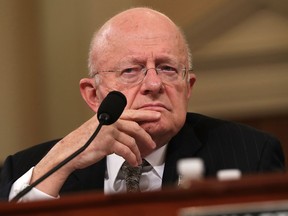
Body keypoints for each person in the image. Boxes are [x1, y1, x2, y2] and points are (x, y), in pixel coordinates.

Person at [0, 7, 285, 202]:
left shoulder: (250, 156)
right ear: (93, 95)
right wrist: (63, 158)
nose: (153, 84)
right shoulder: (24, 169)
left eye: (168, 69)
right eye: (130, 71)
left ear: (188, 88)